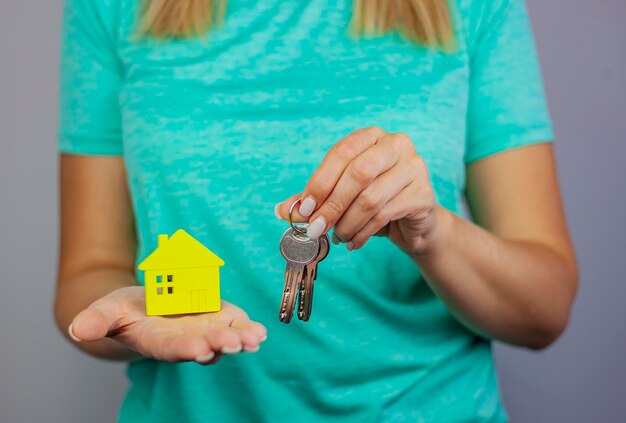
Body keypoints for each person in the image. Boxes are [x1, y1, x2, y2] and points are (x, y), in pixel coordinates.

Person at [54, 0, 578, 421]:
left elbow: (546, 308)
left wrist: (433, 234)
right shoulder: (111, 6)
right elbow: (86, 273)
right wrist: (132, 316)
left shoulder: (475, 6)